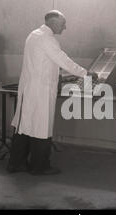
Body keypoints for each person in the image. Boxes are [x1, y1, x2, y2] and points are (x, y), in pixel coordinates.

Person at [8, 10, 98, 175]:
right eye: (63, 24)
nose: (65, 28)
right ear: (54, 23)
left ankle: (16, 163)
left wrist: (59, 76)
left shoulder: (34, 35)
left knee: (25, 126)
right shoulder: (46, 39)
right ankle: (40, 166)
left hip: (32, 88)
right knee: (42, 126)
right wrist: (85, 73)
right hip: (40, 90)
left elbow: (46, 63)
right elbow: (63, 60)